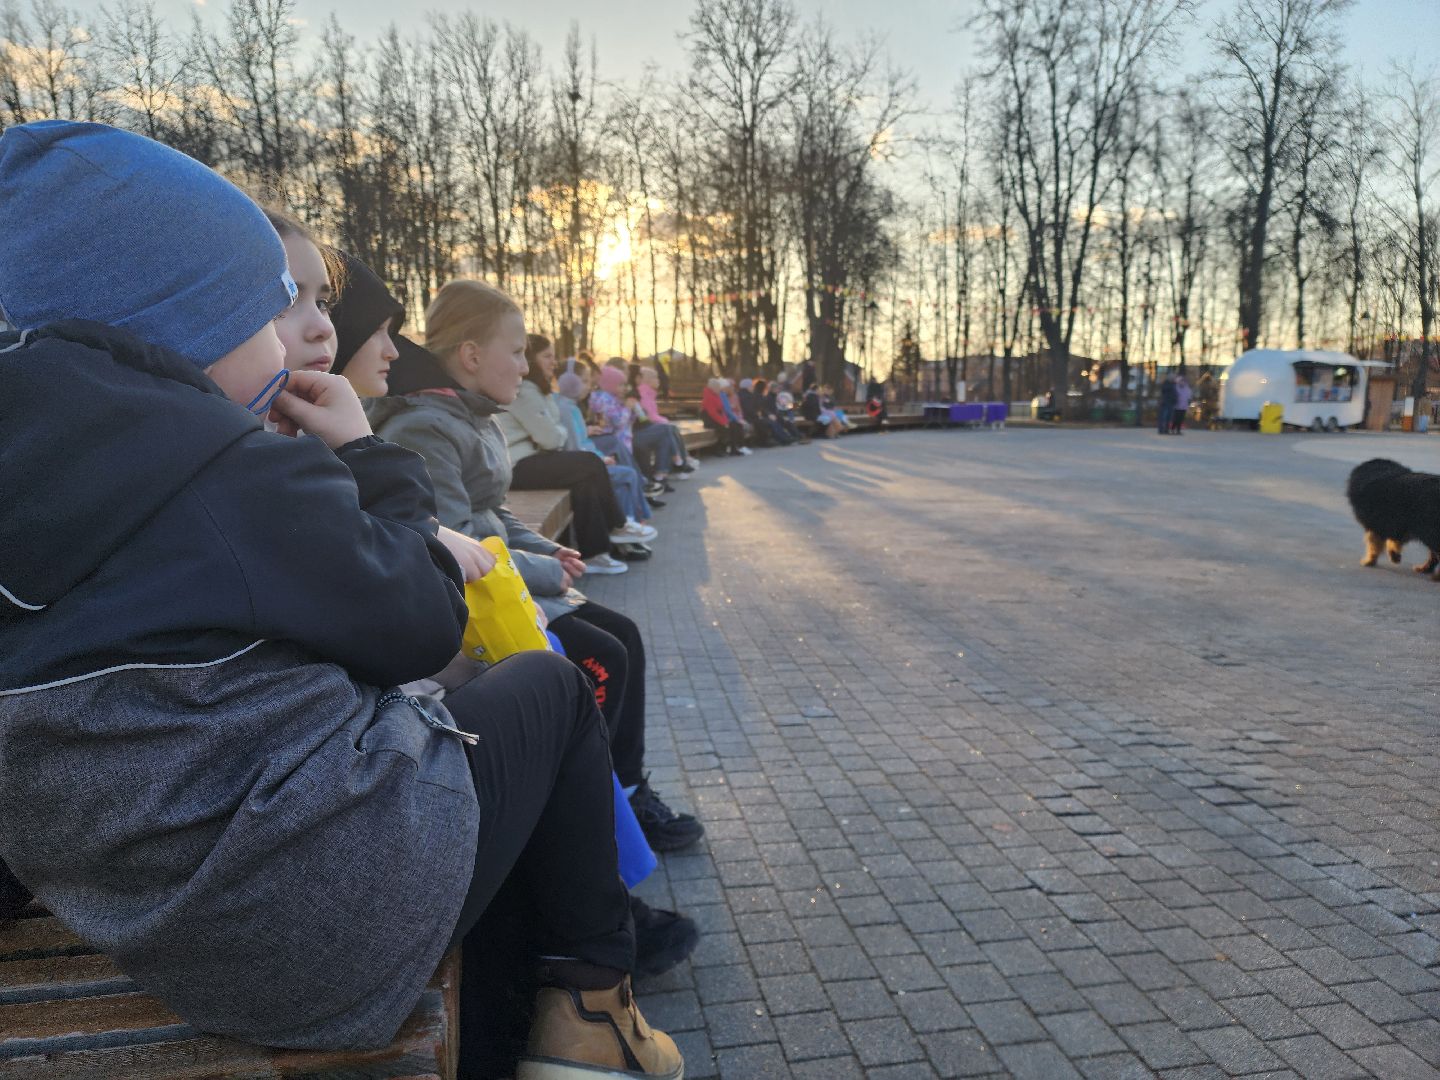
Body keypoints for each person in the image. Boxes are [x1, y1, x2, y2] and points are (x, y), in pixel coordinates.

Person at [0, 120, 683, 1079]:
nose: (293, 333)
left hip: (163, 932)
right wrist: (364, 458)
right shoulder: (224, 476)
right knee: (550, 691)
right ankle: (593, 1018)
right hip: (326, 924)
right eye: (265, 311)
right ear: (184, 327)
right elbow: (415, 626)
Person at [365, 279, 705, 861]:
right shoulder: (426, 429)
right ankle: (601, 812)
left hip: (510, 586)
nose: (526, 366)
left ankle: (625, 789)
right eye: (517, 350)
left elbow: (493, 516)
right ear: (471, 355)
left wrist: (546, 552)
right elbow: (453, 546)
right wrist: (543, 572)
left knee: (621, 638)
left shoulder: (473, 417)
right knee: (606, 656)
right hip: (476, 615)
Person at [500, 332, 653, 566]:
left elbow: (553, 433)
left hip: (533, 459)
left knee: (585, 480)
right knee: (589, 463)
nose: (554, 362)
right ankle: (618, 525)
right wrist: (550, 434)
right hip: (518, 465)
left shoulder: (538, 390)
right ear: (531, 359)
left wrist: (550, 434)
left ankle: (594, 554)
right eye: (547, 356)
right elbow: (553, 438)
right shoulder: (525, 392)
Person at [701, 376, 747, 455]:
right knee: (724, 427)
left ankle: (733, 448)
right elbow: (713, 413)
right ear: (713, 387)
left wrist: (725, 420)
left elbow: (722, 410)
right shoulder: (709, 396)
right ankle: (720, 449)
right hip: (710, 419)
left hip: (717, 418)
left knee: (733, 425)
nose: (719, 388)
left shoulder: (717, 394)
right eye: (718, 387)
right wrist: (724, 422)